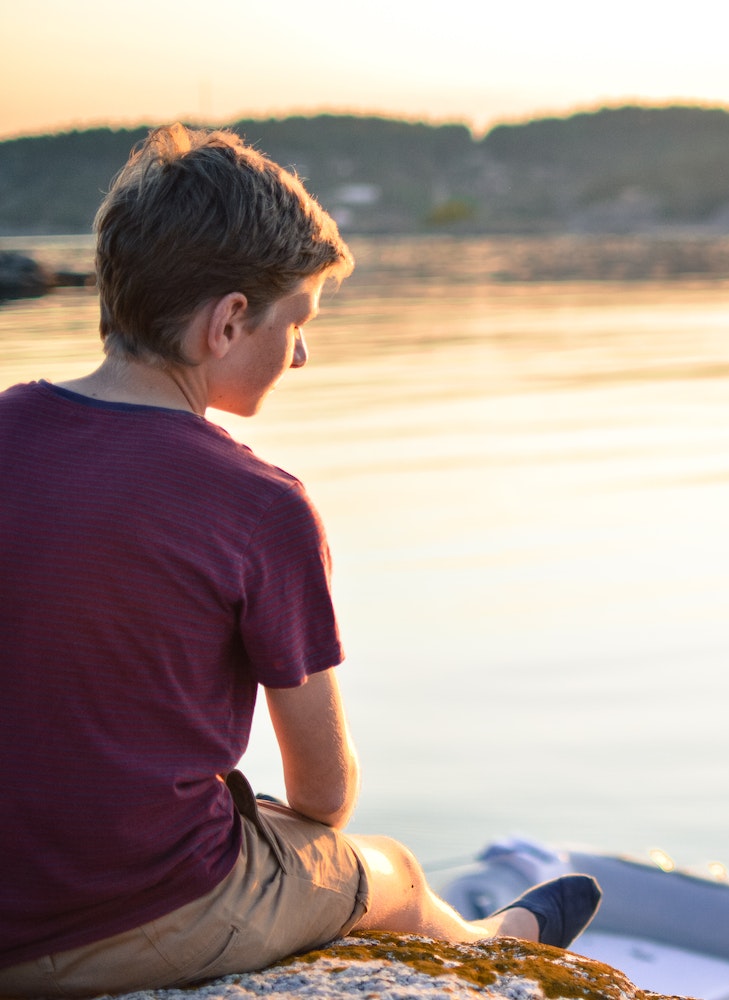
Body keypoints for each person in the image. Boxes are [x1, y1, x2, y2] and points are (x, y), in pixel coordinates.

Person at [0, 124, 601, 998]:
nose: (303, 352)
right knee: (382, 866)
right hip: (119, 923)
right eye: (298, 322)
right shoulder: (260, 506)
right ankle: (491, 943)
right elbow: (323, 794)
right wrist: (285, 818)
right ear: (230, 321)